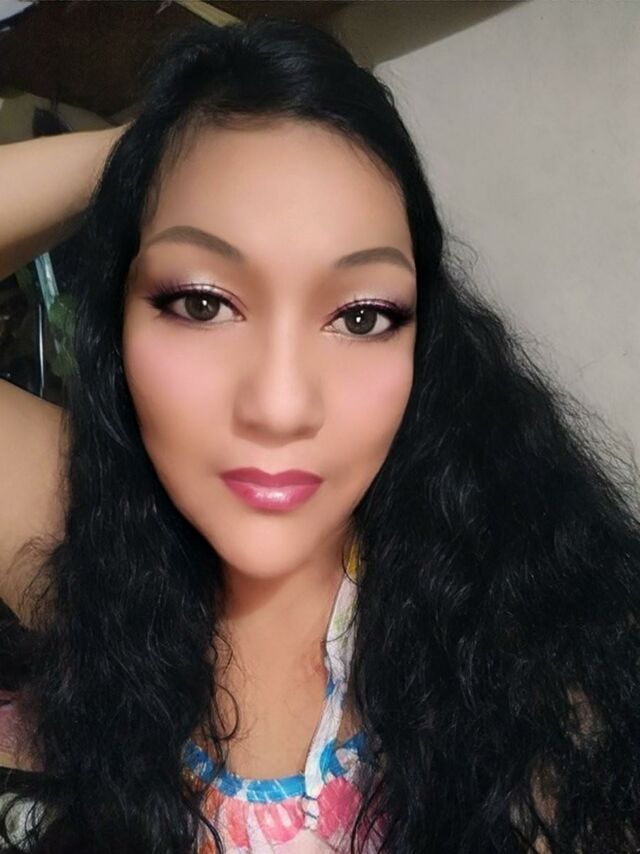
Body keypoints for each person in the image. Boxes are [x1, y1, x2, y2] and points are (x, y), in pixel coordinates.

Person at [0, 15, 639, 854]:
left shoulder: (526, 651)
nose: (280, 405)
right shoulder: (76, 538)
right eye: (202, 302)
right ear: (117, 323)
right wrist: (154, 147)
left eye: (362, 316)